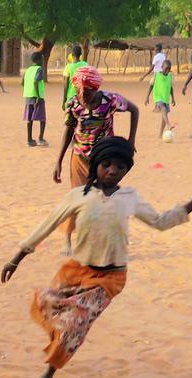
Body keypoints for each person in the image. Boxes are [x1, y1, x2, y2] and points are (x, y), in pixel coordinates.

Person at [1, 137, 192, 378]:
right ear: (96, 164)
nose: (112, 170)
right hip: (75, 271)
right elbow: (47, 225)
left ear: (126, 170)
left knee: (76, 324)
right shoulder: (77, 196)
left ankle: (47, 374)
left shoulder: (129, 198)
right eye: (106, 164)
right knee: (47, 303)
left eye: (120, 166)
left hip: (109, 278)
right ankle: (58, 344)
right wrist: (17, 257)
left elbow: (161, 222)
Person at [54, 66, 139, 255]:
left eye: (89, 91)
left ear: (96, 88)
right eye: (80, 91)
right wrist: (58, 161)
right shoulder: (73, 104)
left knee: (104, 200)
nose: (84, 95)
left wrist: (131, 140)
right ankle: (68, 239)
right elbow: (68, 129)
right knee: (78, 199)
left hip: (104, 160)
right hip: (80, 157)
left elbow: (135, 110)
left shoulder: (110, 100)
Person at [22, 52, 48, 147]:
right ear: (38, 60)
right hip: (37, 97)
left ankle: (29, 140)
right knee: (42, 118)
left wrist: (27, 90)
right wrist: (37, 96)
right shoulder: (39, 69)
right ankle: (40, 139)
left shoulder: (28, 70)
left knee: (29, 119)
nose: (43, 61)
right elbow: (36, 82)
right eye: (42, 59)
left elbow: (22, 82)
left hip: (28, 96)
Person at [145, 59, 176, 137]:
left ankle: (160, 134)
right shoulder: (156, 75)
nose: (167, 71)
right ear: (162, 67)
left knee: (164, 115)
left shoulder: (170, 76)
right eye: (166, 69)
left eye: (169, 69)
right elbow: (151, 86)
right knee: (163, 108)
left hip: (166, 98)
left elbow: (171, 88)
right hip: (158, 97)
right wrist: (147, 97)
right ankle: (168, 125)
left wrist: (173, 98)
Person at [63, 45, 88, 109]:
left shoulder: (68, 67)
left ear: (72, 55)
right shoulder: (85, 65)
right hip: (83, 97)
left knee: (69, 117)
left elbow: (66, 84)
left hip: (71, 97)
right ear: (80, 55)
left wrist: (64, 100)